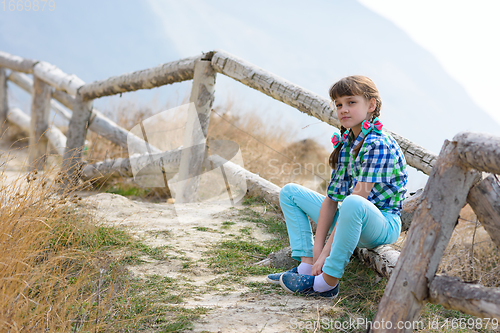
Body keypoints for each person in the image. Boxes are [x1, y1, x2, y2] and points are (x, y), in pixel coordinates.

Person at [266, 75, 408, 298]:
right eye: (339, 104)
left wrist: (326, 254)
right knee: (290, 192)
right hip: (351, 219)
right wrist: (316, 250)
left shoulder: (378, 144)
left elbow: (358, 199)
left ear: (371, 105)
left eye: (351, 102)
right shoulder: (347, 142)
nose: (343, 109)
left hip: (381, 225)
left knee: (353, 202)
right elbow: (331, 200)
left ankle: (327, 283)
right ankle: (306, 268)